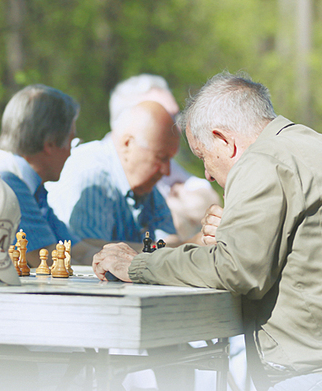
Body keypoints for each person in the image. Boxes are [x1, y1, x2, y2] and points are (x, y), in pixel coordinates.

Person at [93, 71, 322, 391]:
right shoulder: (307, 144)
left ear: (225, 141)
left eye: (202, 156)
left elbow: (237, 269)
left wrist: (137, 265)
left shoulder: (262, 161)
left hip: (304, 372)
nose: (207, 176)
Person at [0, 84, 102, 266]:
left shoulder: (28, 184)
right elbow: (48, 260)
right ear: (50, 144)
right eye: (71, 140)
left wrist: (141, 257)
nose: (71, 152)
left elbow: (78, 249)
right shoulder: (4, 180)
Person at [47, 100, 187, 250]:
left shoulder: (146, 187)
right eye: (161, 157)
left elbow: (170, 241)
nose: (167, 171)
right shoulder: (92, 174)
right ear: (128, 144)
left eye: (170, 160)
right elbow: (88, 251)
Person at [109, 74, 221, 240]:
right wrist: (175, 207)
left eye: (175, 116)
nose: (177, 126)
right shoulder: (97, 170)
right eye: (166, 116)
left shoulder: (163, 161)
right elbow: (85, 249)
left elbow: (210, 201)